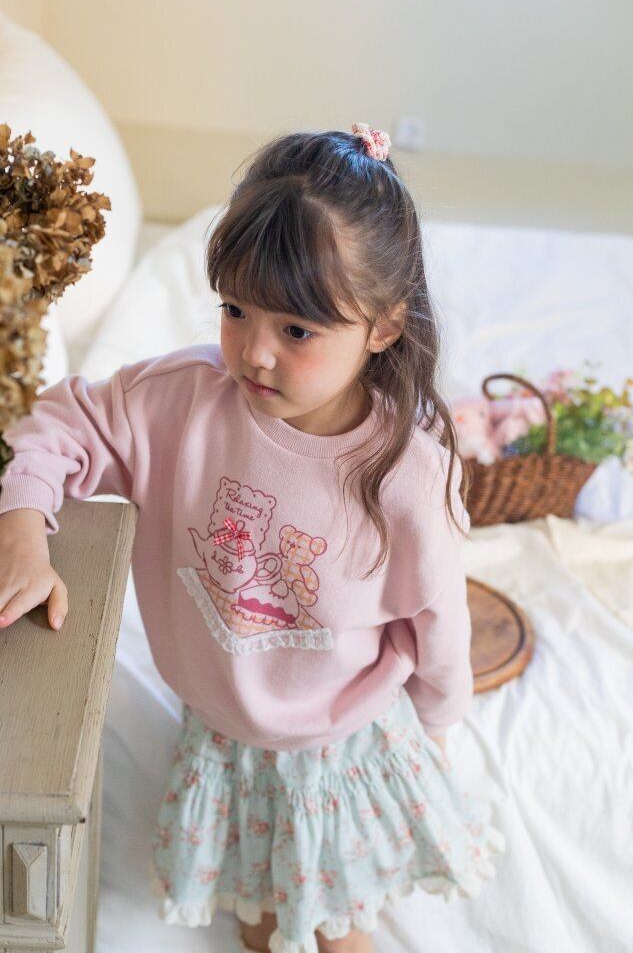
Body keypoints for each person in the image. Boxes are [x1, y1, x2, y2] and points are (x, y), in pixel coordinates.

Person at [0, 122, 506, 953]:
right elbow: (60, 422)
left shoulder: (408, 474)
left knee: (340, 936)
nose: (254, 353)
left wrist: (442, 725)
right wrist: (23, 523)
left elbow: (438, 622)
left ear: (383, 327)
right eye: (235, 311)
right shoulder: (180, 401)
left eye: (297, 330)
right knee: (259, 926)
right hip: (222, 743)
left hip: (339, 753)